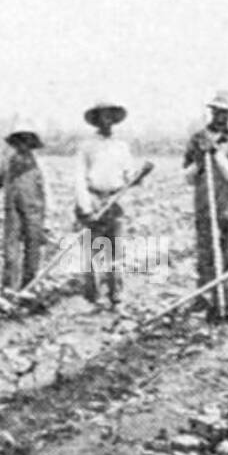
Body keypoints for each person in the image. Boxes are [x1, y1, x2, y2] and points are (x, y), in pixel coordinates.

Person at [73, 100, 152, 308]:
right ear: (97, 120)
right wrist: (86, 207)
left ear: (114, 120)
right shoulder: (86, 146)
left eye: (110, 116)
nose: (106, 120)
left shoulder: (121, 146)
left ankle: (116, 296)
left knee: (115, 252)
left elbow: (129, 176)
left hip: (115, 202)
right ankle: (93, 298)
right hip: (93, 199)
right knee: (92, 254)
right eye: (102, 116)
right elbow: (79, 179)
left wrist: (136, 178)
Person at [184, 90, 228, 320]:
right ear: (212, 112)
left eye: (227, 113)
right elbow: (188, 177)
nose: (222, 116)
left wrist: (215, 152)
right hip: (204, 206)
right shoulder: (197, 139)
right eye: (218, 111)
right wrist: (200, 159)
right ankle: (207, 301)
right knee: (206, 257)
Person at [0, 119, 50, 292]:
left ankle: (28, 290)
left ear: (32, 142)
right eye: (19, 139)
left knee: (33, 253)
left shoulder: (39, 164)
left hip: (35, 213)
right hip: (13, 211)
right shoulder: (5, 163)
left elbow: (48, 191)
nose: (23, 144)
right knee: (10, 254)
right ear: (14, 141)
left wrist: (49, 221)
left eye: (27, 139)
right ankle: (9, 291)